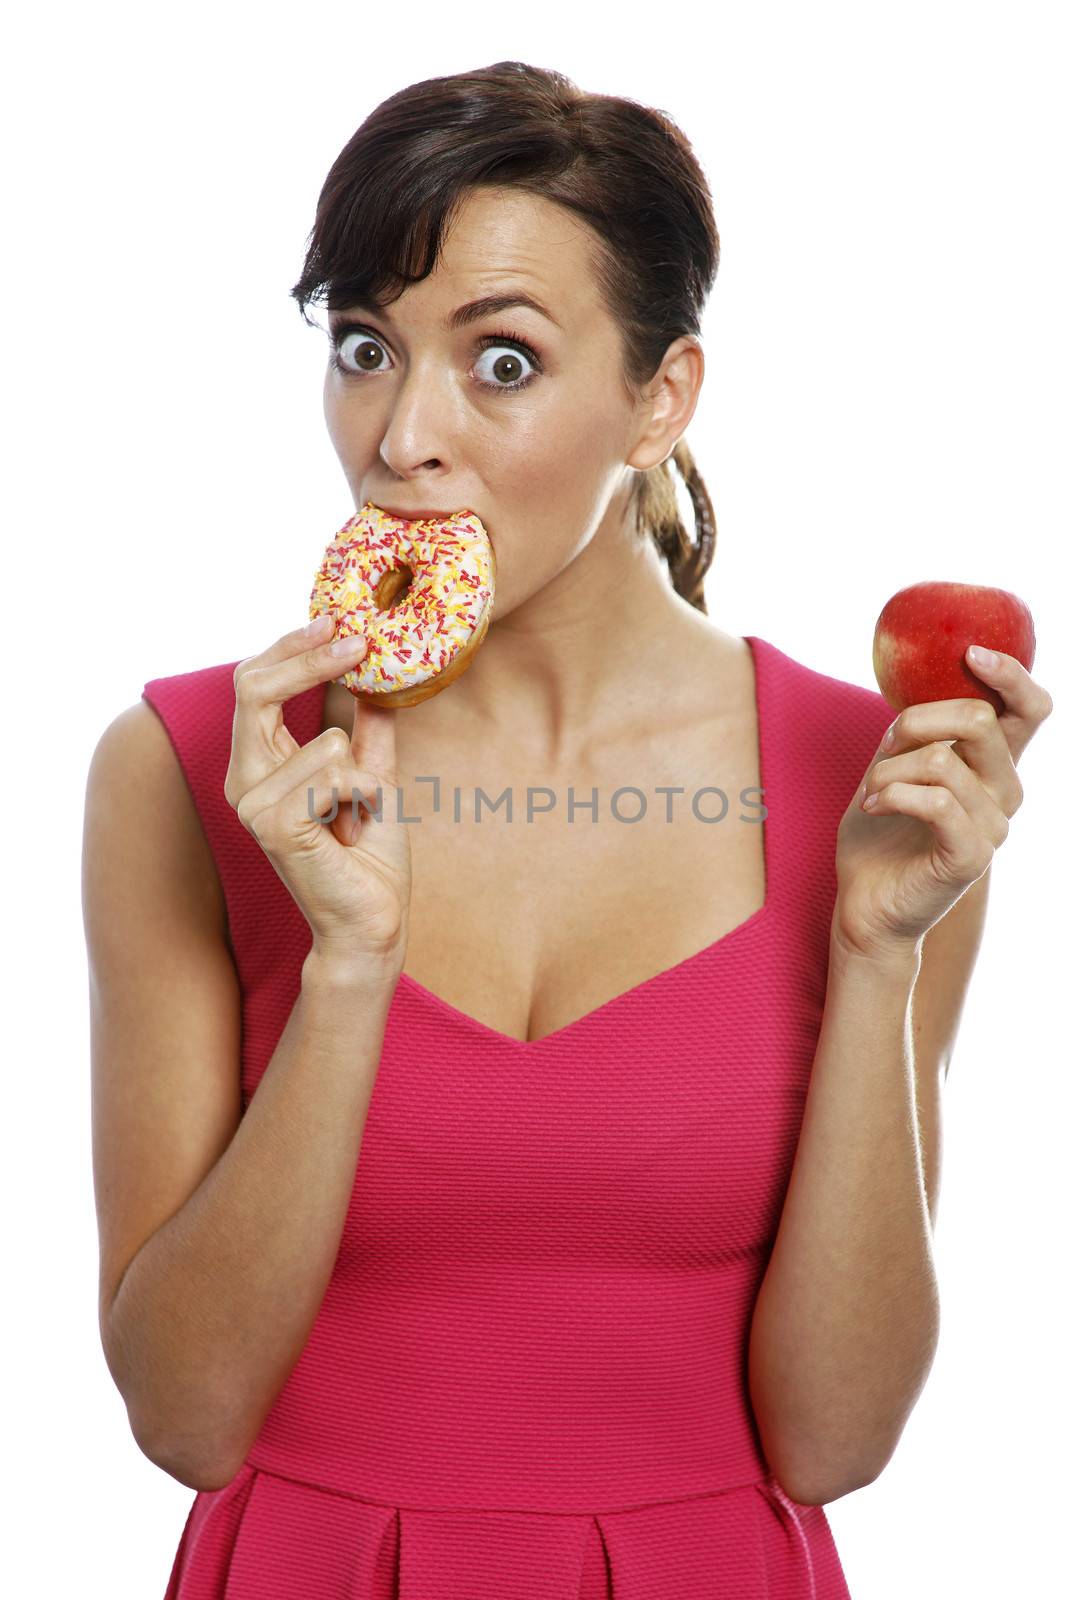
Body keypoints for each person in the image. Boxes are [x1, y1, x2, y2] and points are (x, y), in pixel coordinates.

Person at [83, 60, 1052, 1600]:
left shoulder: (880, 791)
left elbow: (834, 1442)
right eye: (362, 347)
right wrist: (347, 968)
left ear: (660, 398)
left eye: (504, 364)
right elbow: (186, 1416)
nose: (403, 436)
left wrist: (877, 955)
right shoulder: (191, 769)